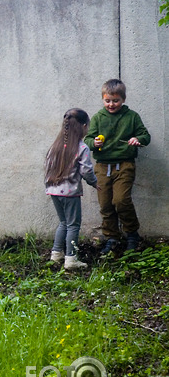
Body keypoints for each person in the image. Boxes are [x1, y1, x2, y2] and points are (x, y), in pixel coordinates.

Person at [84, 79, 151, 255]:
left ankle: (132, 235)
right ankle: (112, 237)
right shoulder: (98, 117)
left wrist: (138, 140)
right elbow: (88, 140)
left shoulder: (132, 116)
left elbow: (145, 136)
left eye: (115, 100)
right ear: (103, 99)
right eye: (107, 100)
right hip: (102, 166)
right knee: (105, 204)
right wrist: (94, 142)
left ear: (123, 99)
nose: (111, 104)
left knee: (121, 200)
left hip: (124, 165)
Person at [45, 108, 99, 270]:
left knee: (63, 222)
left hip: (53, 190)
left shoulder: (56, 146)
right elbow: (86, 170)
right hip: (69, 192)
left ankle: (56, 254)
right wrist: (95, 183)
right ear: (83, 126)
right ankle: (71, 259)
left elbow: (48, 167)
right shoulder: (81, 147)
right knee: (73, 225)